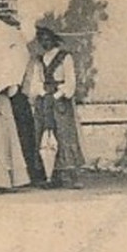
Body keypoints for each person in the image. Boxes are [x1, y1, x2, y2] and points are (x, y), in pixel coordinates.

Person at [24, 27, 87, 188]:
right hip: (44, 100)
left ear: (53, 39)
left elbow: (70, 80)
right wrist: (42, 92)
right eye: (42, 40)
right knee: (45, 135)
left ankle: (73, 176)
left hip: (60, 101)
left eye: (47, 39)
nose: (45, 42)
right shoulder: (40, 60)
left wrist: (58, 95)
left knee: (64, 134)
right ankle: (51, 176)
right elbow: (36, 81)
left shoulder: (65, 57)